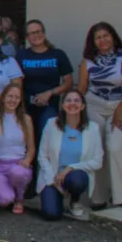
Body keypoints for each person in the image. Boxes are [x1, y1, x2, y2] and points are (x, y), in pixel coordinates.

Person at [78, 21, 122, 208]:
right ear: (92, 42)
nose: (103, 40)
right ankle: (98, 196)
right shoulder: (88, 61)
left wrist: (119, 110)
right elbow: (82, 89)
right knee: (97, 149)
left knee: (116, 147)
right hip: (95, 105)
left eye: (106, 35)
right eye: (98, 37)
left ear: (113, 36)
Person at [36, 91, 103, 220]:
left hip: (74, 176)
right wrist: (52, 180)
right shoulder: (51, 124)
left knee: (76, 179)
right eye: (68, 100)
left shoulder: (92, 128)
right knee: (51, 214)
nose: (72, 103)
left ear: (83, 106)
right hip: (53, 176)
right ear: (63, 105)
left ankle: (74, 199)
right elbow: (42, 156)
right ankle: (57, 196)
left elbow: (97, 161)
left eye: (77, 101)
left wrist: (70, 168)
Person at [16, 20, 73, 150]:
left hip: (50, 106)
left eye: (38, 32)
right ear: (27, 37)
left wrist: (49, 93)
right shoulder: (21, 56)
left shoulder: (58, 54)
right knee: (26, 142)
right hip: (26, 106)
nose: (35, 36)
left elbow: (68, 82)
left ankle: (47, 169)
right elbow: (16, 84)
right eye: (31, 33)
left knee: (48, 139)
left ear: (44, 33)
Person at [0, 83, 35, 214]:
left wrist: (27, 161)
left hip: (19, 164)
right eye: (10, 96)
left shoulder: (25, 119)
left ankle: (19, 198)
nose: (13, 100)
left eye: (17, 97)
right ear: (3, 97)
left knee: (17, 173)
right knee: (3, 201)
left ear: (20, 100)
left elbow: (31, 148)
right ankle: (2, 188)